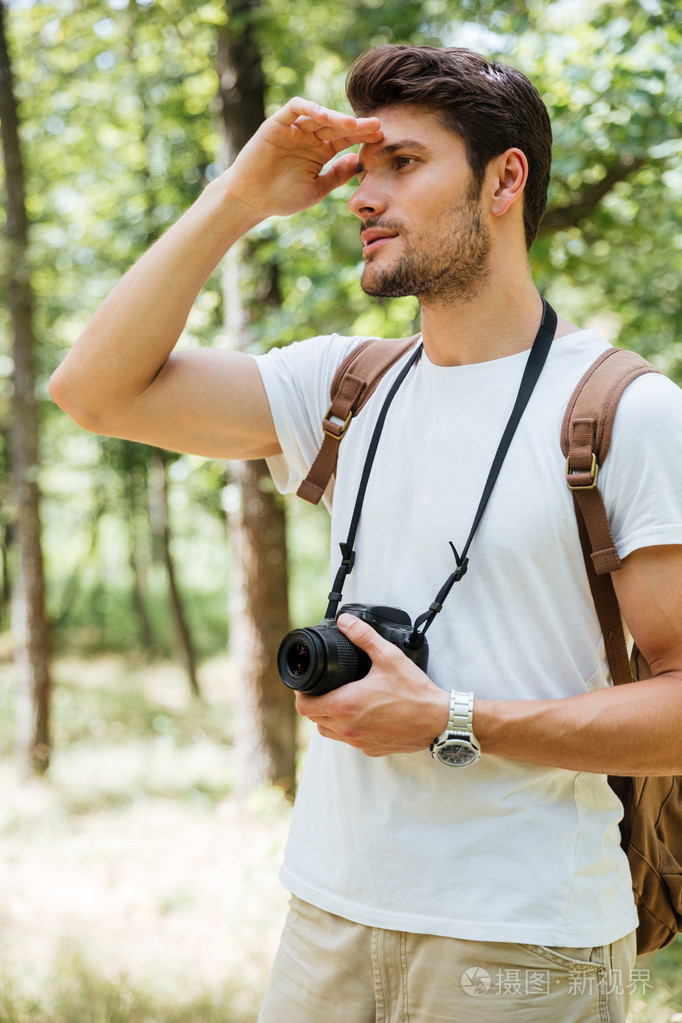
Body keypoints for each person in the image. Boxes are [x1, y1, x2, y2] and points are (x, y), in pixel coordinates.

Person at [50, 44, 682, 1023]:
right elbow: (92, 392)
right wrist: (236, 199)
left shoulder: (623, 412)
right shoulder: (344, 387)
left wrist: (455, 720)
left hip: (521, 942)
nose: (361, 196)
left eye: (403, 163)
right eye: (359, 168)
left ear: (503, 178)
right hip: (325, 917)